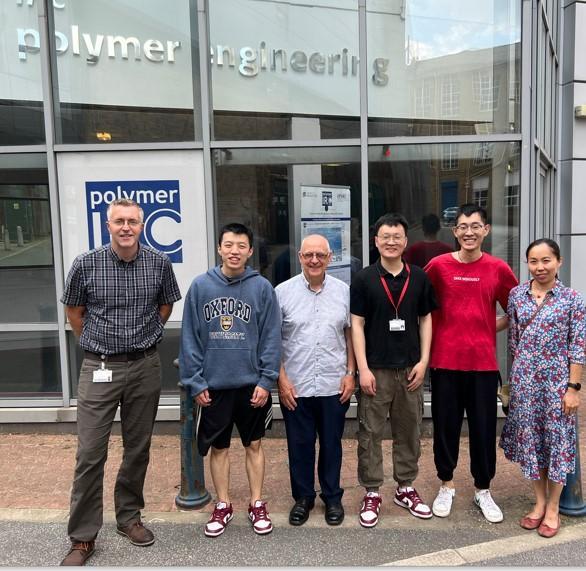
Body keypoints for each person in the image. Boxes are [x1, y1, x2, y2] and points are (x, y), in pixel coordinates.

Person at [60, 198, 181, 566]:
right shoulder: (86, 264)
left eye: (132, 221)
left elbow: (166, 305)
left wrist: (149, 334)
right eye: (119, 221)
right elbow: (74, 311)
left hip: (144, 367)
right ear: (108, 225)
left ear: (142, 226)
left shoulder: (159, 263)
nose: (126, 227)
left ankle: (128, 517)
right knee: (90, 453)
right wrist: (93, 345)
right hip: (100, 367)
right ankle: (82, 538)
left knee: (138, 447)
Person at [179, 222, 281, 538]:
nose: (234, 251)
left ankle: (256, 503)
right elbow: (190, 338)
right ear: (220, 248)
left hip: (251, 386)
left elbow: (271, 337)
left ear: (250, 251)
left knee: (254, 445)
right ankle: (223, 504)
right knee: (219, 448)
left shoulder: (261, 287)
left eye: (241, 245)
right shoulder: (201, 287)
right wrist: (196, 382)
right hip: (214, 386)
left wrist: (266, 381)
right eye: (228, 245)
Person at [424, 203, 518, 524]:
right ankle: (446, 484)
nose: (469, 232)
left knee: (482, 429)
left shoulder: (498, 269)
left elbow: (516, 311)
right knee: (445, 427)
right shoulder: (437, 267)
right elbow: (420, 307)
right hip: (445, 363)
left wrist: (486, 326)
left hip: (483, 365)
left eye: (475, 226)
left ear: (486, 230)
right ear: (455, 231)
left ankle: (483, 489)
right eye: (463, 226)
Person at [350, 213, 438, 528]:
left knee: (409, 431)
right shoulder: (363, 279)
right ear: (376, 241)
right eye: (385, 236)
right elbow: (356, 325)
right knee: (370, 433)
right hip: (376, 369)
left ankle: (405, 487)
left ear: (405, 241)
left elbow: (426, 318)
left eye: (396, 236)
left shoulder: (419, 277)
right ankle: (372, 491)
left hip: (411, 369)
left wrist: (424, 360)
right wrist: (362, 368)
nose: (391, 241)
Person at [500, 238, 585, 538]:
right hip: (525, 383)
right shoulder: (516, 295)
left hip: (557, 385)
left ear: (559, 262)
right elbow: (513, 342)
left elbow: (578, 347)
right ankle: (538, 503)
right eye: (534, 261)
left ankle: (553, 507)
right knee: (532, 445)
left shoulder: (573, 299)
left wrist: (573, 388)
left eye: (546, 260)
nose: (540, 267)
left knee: (558, 444)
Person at [276, 234, 356, 527]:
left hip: (334, 384)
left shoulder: (344, 292)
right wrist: (281, 380)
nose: (314, 260)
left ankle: (332, 497)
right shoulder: (281, 293)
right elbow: (274, 342)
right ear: (299, 256)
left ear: (330, 258)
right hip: (295, 384)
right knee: (299, 444)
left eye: (320, 255)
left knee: (332, 444)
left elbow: (350, 335)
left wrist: (351, 374)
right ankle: (303, 498)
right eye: (308, 255)